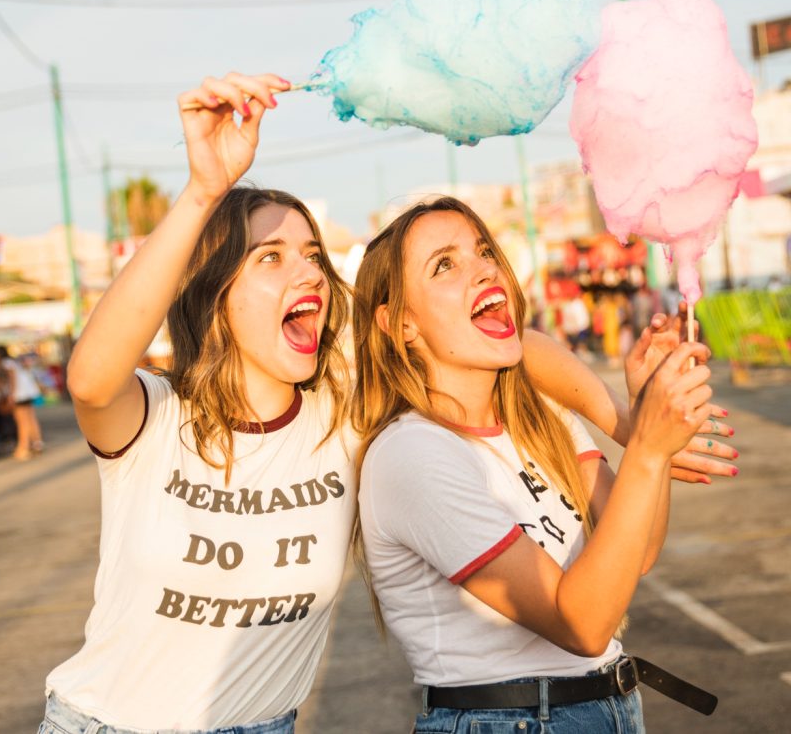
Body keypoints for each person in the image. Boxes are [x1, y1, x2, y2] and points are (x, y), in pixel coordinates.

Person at [40, 74, 737, 734]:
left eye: (312, 254)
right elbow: (92, 378)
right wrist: (202, 191)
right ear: (217, 299)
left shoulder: (341, 414)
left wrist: (628, 419)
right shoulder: (158, 420)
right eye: (271, 257)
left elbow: (508, 341)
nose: (308, 269)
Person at [352, 196, 731, 733]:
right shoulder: (412, 453)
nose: (484, 267)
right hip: (510, 721)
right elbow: (582, 624)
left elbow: (638, 552)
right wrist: (645, 447)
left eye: (483, 251)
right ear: (400, 324)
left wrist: (650, 431)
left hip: (605, 709)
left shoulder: (540, 415)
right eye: (445, 264)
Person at [0, 345, 43, 460]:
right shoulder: (14, 361)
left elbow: (12, 378)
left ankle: (24, 448)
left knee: (22, 422)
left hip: (19, 394)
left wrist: (11, 395)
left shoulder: (6, 363)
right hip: (28, 392)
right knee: (30, 418)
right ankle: (37, 443)